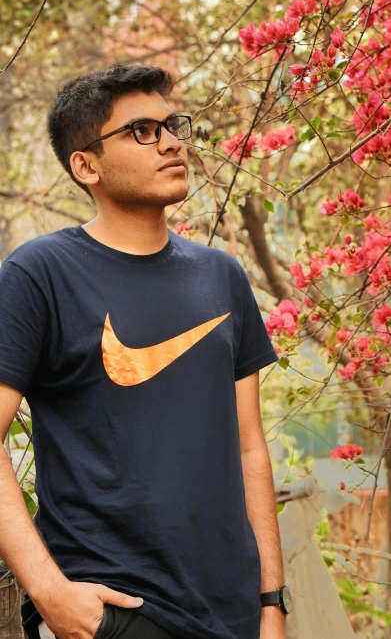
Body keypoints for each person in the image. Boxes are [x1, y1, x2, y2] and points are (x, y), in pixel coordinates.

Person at [0, 64, 292, 639]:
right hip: (115, 612)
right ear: (86, 166)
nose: (171, 142)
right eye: (141, 131)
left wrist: (271, 602)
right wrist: (51, 594)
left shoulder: (221, 275)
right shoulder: (39, 274)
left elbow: (249, 448)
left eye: (171, 125)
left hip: (233, 616)